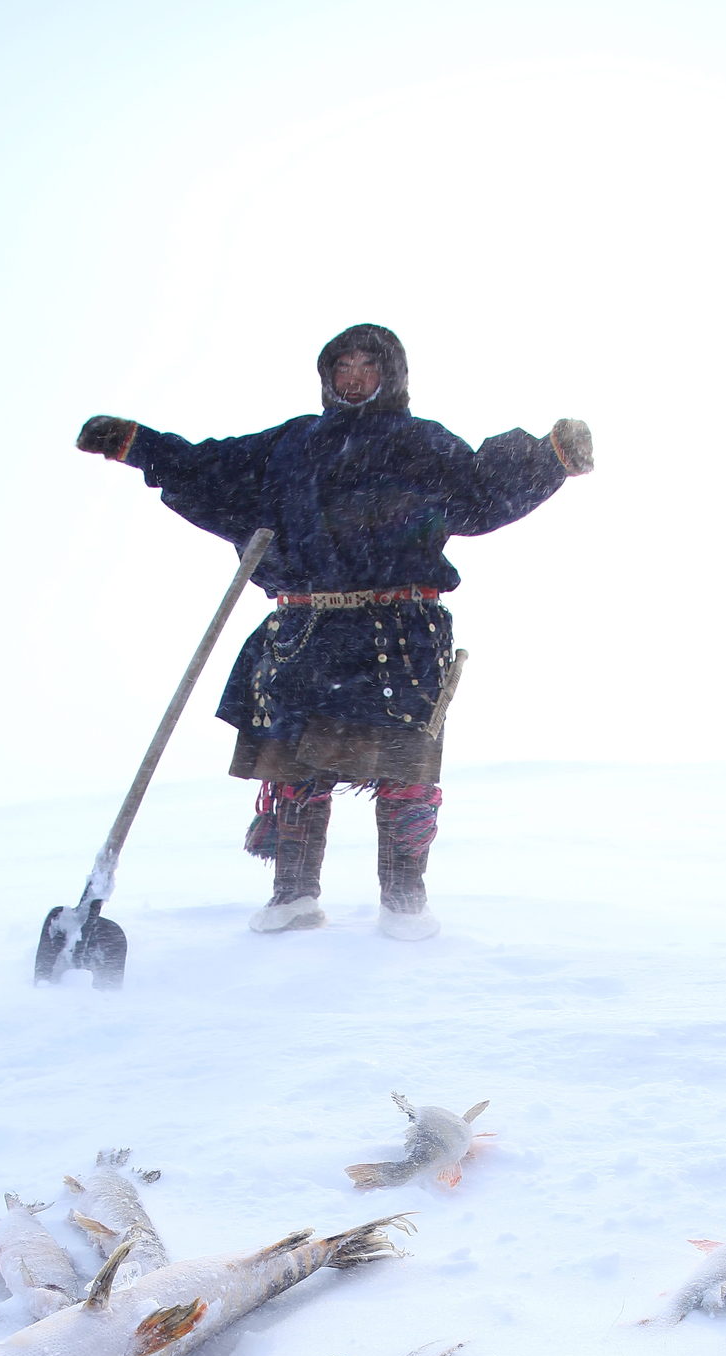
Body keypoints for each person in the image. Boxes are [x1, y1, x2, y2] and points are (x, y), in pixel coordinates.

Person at [77, 323, 592, 940]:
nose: (352, 377)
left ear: (390, 375)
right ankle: (294, 898)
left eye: (365, 366)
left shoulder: (421, 444)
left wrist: (550, 456)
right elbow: (209, 465)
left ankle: (404, 902)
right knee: (296, 768)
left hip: (397, 631)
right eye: (341, 366)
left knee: (404, 768)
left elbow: (482, 485)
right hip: (308, 630)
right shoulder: (294, 444)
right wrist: (139, 445)